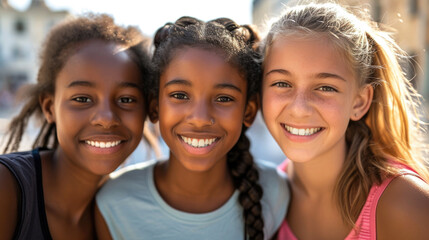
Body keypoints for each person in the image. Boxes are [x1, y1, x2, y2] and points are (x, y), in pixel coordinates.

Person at [95, 17, 289, 240]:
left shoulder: (274, 192)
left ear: (248, 111)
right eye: (179, 95)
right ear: (155, 106)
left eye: (224, 98)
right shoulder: (114, 202)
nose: (200, 118)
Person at [260, 2, 429, 239]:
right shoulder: (262, 201)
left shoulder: (407, 205)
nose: (299, 109)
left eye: (326, 87)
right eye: (282, 83)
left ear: (359, 102)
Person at [0, 14, 152, 240]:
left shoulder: (125, 214)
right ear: (50, 108)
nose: (106, 118)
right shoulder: (7, 188)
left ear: (148, 110)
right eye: (82, 99)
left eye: (127, 99)